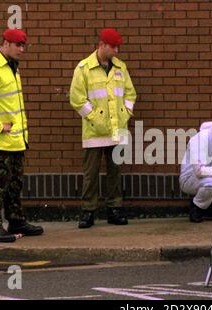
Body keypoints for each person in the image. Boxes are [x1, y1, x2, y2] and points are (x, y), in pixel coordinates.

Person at [0, 29, 44, 242]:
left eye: (24, 46)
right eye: (18, 45)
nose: (22, 50)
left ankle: (16, 220)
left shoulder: (12, 67)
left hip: (15, 140)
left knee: (14, 184)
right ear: (6, 44)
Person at [70, 28, 137, 228]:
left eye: (118, 46)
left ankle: (114, 209)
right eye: (113, 46)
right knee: (90, 174)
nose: (117, 50)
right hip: (94, 132)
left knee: (115, 172)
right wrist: (94, 117)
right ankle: (88, 211)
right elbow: (76, 99)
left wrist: (125, 113)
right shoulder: (83, 68)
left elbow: (130, 94)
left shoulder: (120, 68)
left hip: (118, 130)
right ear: (102, 45)